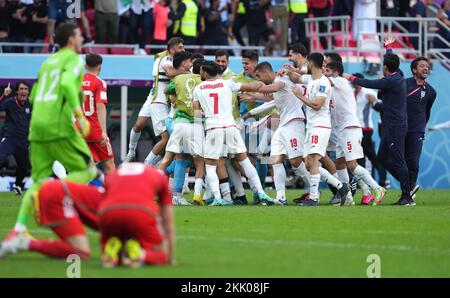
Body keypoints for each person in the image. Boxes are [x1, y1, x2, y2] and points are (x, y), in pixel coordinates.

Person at [6, 22, 98, 240]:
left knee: (37, 181)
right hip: (58, 127)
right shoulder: (74, 60)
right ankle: (54, 199)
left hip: (36, 126)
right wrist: (79, 116)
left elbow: (35, 94)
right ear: (71, 39)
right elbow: (66, 84)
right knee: (89, 170)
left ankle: (19, 230)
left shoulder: (47, 62)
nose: (82, 38)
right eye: (79, 35)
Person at [192, 61, 274, 206]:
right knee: (245, 161)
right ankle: (261, 192)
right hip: (230, 127)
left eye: (201, 71)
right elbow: (252, 86)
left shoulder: (198, 88)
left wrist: (199, 128)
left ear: (205, 72)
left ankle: (218, 198)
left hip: (213, 128)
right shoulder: (227, 83)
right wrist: (261, 82)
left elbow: (196, 111)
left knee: (210, 165)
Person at [344, 38, 412, 205]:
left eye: (384, 64)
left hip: (395, 126)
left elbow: (370, 82)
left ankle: (406, 195)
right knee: (381, 158)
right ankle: (409, 185)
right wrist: (388, 48)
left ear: (386, 67)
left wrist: (350, 77)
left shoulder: (392, 80)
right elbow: (390, 63)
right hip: (390, 126)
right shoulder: (398, 75)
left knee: (398, 160)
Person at [241, 62, 310, 205]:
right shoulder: (277, 84)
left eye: (259, 76)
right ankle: (281, 197)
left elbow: (273, 87)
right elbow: (271, 103)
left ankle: (321, 187)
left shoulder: (280, 79)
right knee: (275, 160)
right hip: (284, 125)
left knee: (296, 161)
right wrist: (249, 113)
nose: (259, 79)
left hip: (294, 122)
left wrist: (251, 88)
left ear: (266, 72)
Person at [323, 62, 386, 206]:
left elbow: (321, 78)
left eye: (327, 70)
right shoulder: (332, 87)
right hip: (341, 130)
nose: (325, 73)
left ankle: (378, 188)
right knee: (340, 163)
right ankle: (348, 198)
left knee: (352, 164)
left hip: (350, 128)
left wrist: (304, 72)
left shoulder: (340, 81)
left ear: (336, 72)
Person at [291, 53, 348, 206]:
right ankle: (340, 186)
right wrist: (288, 70)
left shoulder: (323, 82)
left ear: (310, 63)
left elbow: (317, 105)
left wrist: (299, 96)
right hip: (311, 126)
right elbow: (296, 78)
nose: (305, 66)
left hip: (320, 125)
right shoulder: (311, 79)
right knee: (309, 164)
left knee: (314, 159)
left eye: (306, 64)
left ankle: (314, 198)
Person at [0, 180, 103, 259]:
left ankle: (23, 241)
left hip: (57, 191)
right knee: (81, 251)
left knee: (80, 250)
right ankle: (23, 242)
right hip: (59, 196)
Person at [99, 163, 174, 267]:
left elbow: (101, 204)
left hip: (108, 211)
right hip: (140, 210)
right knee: (161, 254)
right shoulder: (159, 176)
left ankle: (112, 254)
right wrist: (169, 258)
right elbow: (168, 223)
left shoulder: (114, 173)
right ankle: (140, 254)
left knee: (116, 239)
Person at [125, 37, 186, 164]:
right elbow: (169, 72)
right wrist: (186, 73)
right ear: (172, 49)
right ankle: (132, 152)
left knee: (168, 138)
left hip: (162, 98)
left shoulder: (176, 59)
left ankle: (155, 162)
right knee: (139, 125)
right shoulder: (166, 58)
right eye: (180, 47)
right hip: (157, 97)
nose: (183, 49)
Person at [159, 52, 205, 206]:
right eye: (188, 61)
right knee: (196, 160)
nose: (190, 63)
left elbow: (167, 91)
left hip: (176, 121)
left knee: (175, 158)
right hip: (192, 124)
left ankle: (160, 190)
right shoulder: (202, 81)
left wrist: (174, 98)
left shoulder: (177, 78)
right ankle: (196, 193)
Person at [405, 56, 437, 200]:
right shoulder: (404, 84)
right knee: (396, 160)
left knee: (413, 161)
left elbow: (427, 112)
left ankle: (409, 191)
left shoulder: (431, 92)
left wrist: (421, 128)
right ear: (414, 70)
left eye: (427, 66)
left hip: (416, 131)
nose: (426, 68)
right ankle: (407, 186)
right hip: (400, 128)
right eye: (422, 66)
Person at [82, 53, 115, 174]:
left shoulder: (76, 82)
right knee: (109, 164)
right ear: (100, 67)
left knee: (86, 165)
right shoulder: (99, 83)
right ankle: (114, 192)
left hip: (79, 130)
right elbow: (100, 106)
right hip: (94, 130)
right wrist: (103, 132)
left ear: (85, 66)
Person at [0, 81, 31, 195]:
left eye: (26, 89)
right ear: (17, 91)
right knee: (0, 157)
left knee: (24, 167)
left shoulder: (31, 104)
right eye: (21, 89)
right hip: (10, 138)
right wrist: (4, 95)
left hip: (23, 141)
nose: (24, 91)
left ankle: (17, 186)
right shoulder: (9, 102)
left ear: (28, 91)